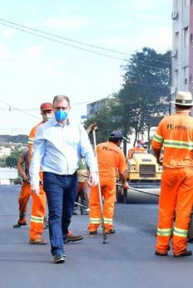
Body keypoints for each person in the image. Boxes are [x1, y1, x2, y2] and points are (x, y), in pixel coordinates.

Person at [30, 95, 99, 264]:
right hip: (52, 176)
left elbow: (87, 151)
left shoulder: (77, 128)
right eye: (57, 108)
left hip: (71, 176)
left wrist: (94, 171)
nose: (60, 111)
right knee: (55, 212)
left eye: (63, 108)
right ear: (53, 109)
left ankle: (60, 236)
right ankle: (57, 250)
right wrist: (33, 180)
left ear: (69, 109)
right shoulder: (44, 129)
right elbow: (37, 156)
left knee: (67, 213)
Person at [152, 91, 193, 257]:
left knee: (165, 209)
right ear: (190, 107)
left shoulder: (165, 122)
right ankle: (179, 248)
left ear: (176, 105)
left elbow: (156, 144)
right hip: (187, 173)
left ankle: (161, 247)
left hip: (169, 172)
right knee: (182, 211)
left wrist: (158, 157)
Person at [88, 129, 129, 235]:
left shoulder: (99, 147)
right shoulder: (119, 152)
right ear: (119, 141)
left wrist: (90, 174)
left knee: (95, 202)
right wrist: (124, 183)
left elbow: (90, 160)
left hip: (97, 178)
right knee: (108, 203)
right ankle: (107, 227)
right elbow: (122, 172)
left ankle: (93, 227)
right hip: (110, 179)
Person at [13, 148, 30, 228]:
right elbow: (19, 164)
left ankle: (44, 220)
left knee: (40, 202)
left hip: (40, 182)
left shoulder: (45, 151)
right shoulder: (27, 152)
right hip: (28, 181)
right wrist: (23, 174)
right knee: (22, 200)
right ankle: (22, 219)